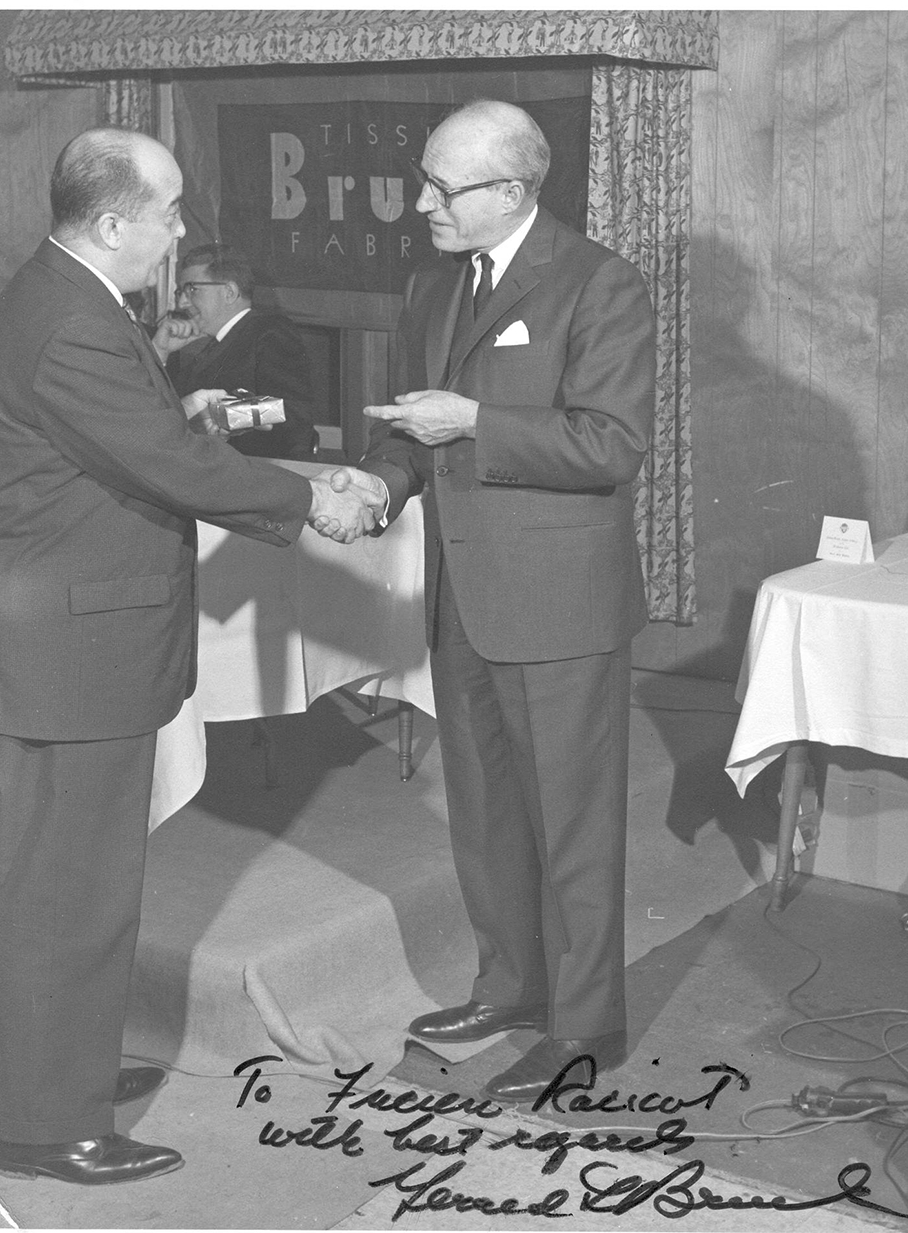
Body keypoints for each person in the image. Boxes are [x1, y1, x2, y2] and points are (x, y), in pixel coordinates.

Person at [0, 127, 379, 1186]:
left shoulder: (64, 298)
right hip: (70, 656)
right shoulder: (72, 322)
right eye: (170, 211)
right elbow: (157, 465)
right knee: (69, 893)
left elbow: (117, 437)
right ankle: (46, 1126)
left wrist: (178, 407)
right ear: (113, 224)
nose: (182, 230)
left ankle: (56, 1075)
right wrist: (309, 496)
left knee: (72, 887)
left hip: (74, 646)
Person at [333, 99, 656, 1102]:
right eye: (425, 179)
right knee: (482, 814)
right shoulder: (433, 282)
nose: (419, 203)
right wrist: (384, 481)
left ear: (513, 191)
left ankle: (584, 1025)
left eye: (443, 188)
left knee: (571, 824)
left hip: (559, 608)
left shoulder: (599, 283)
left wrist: (474, 418)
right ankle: (510, 987)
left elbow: (609, 445)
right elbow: (408, 429)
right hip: (463, 600)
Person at [155, 243, 320, 460]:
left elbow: (292, 411)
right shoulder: (210, 343)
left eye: (192, 289)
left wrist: (220, 416)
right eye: (181, 291)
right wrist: (160, 352)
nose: (182, 302)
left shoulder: (270, 332)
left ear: (229, 292)